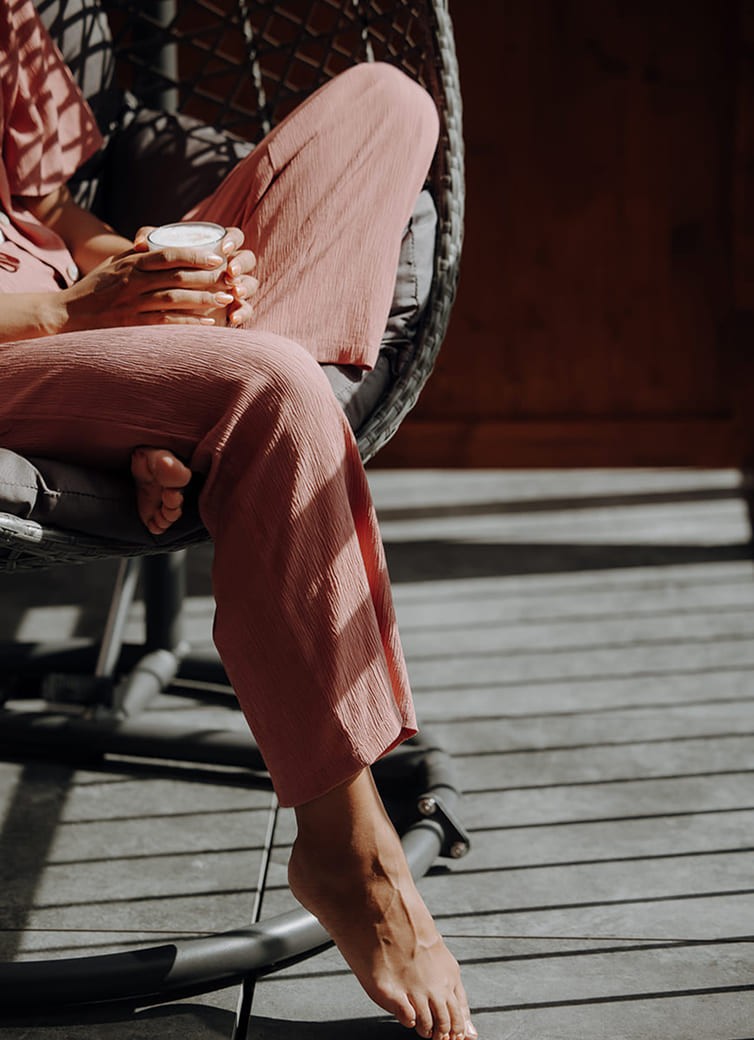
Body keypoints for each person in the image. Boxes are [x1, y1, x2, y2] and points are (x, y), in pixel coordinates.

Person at [0, 4, 477, 1039]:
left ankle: (198, 407)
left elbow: (43, 208)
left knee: (386, 109)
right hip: (16, 346)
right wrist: (75, 316)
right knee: (273, 388)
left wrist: (153, 278)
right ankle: (343, 843)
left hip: (75, 311)